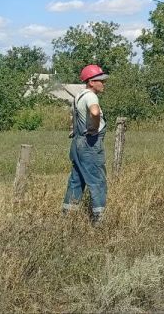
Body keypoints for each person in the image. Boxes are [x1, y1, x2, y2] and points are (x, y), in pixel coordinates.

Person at [63, 64, 108, 223]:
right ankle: (99, 221)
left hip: (77, 144)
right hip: (90, 144)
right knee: (97, 181)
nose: (103, 83)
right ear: (90, 82)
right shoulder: (91, 96)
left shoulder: (78, 96)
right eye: (100, 80)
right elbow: (95, 112)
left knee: (76, 180)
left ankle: (68, 218)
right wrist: (94, 128)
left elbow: (72, 118)